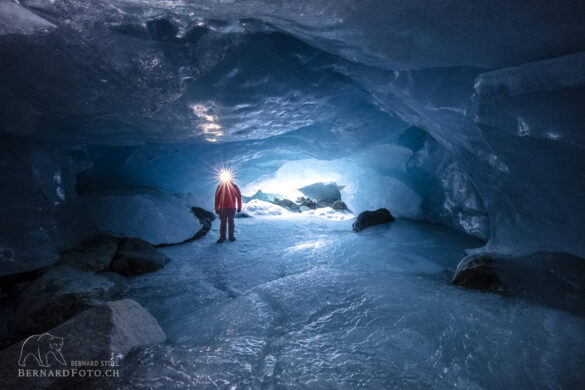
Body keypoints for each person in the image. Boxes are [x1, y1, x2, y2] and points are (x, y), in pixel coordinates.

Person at [214, 178, 242, 243]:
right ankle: (222, 237)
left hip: (231, 209)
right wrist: (216, 208)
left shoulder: (234, 187)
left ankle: (231, 236)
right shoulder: (220, 187)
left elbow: (239, 197)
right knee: (223, 223)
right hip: (223, 208)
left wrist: (239, 207)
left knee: (230, 223)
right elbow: (217, 198)